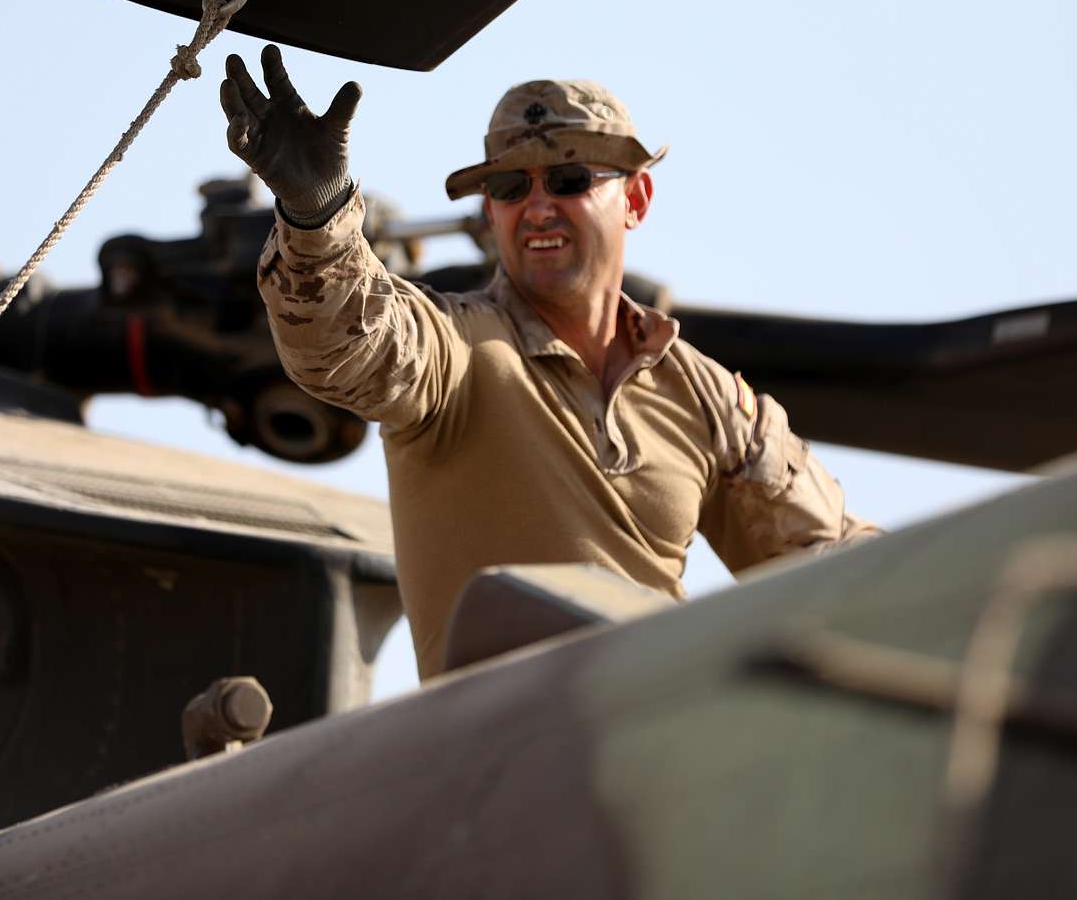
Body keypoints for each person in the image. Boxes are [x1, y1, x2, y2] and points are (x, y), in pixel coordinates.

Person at [220, 46, 879, 678]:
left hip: (667, 763)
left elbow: (836, 570)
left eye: (568, 179)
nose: (537, 206)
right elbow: (347, 340)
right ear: (489, 210)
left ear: (636, 200)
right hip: (508, 768)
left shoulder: (701, 394)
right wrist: (318, 215)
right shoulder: (456, 351)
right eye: (510, 185)